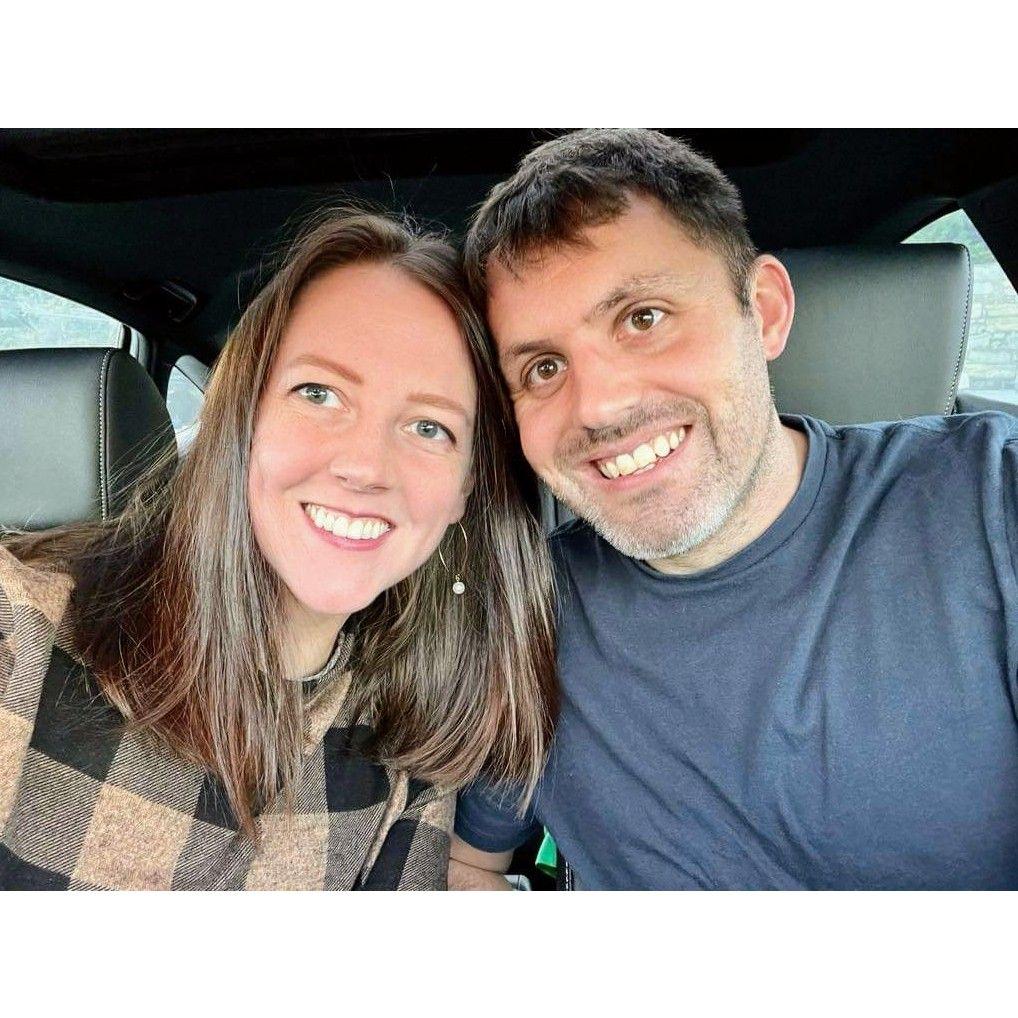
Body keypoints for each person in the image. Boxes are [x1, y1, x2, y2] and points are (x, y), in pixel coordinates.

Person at [449, 128, 1018, 890]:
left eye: (643, 318)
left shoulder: (991, 499)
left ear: (766, 310)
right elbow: (466, 863)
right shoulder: (524, 623)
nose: (599, 407)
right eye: (544, 367)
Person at [0, 210, 556, 890]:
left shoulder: (411, 746)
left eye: (429, 427)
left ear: (465, 488)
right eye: (318, 393)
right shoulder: (20, 636)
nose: (366, 467)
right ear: (244, 418)